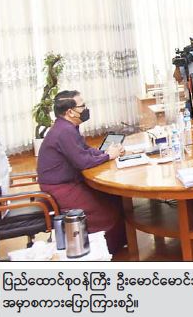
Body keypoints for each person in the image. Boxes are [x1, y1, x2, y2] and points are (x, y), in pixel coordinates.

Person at [36, 90, 126, 253]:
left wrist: (105, 152)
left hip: (70, 181)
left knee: (113, 197)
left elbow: (84, 150)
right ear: (70, 112)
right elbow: (82, 161)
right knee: (106, 211)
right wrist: (108, 156)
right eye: (82, 106)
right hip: (61, 188)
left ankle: (122, 241)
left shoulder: (67, 126)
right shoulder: (64, 131)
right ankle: (106, 250)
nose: (85, 109)